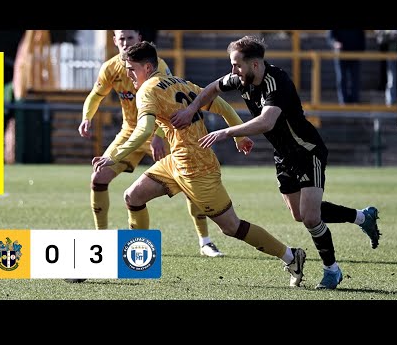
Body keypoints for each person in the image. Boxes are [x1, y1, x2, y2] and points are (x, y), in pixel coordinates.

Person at [171, 35, 381, 289]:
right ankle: (362, 217)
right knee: (299, 214)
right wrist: (192, 109)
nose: (233, 70)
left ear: (255, 65)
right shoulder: (240, 78)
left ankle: (332, 270)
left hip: (307, 151)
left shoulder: (276, 81)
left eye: (237, 64)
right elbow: (212, 88)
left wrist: (227, 132)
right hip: (283, 155)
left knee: (311, 218)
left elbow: (266, 122)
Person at [93, 41, 308, 288]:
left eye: (131, 69)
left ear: (147, 66)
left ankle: (291, 256)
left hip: (198, 170)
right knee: (133, 196)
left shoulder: (147, 91)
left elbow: (143, 131)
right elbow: (223, 105)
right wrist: (239, 135)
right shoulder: (180, 82)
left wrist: (115, 156)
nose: (128, 74)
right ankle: (137, 262)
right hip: (177, 161)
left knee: (232, 227)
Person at [78, 30, 223, 258]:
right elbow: (95, 96)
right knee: (99, 177)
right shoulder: (110, 68)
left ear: (140, 40)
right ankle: (100, 239)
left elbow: (170, 102)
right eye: (121, 39)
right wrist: (87, 117)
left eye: (130, 39)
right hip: (130, 133)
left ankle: (205, 240)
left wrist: (159, 136)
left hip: (160, 132)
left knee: (189, 182)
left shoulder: (157, 68)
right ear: (115, 41)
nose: (126, 43)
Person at [327, 30, 366, 104]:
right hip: (340, 55)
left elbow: (361, 36)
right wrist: (335, 44)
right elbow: (330, 37)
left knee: (355, 79)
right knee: (341, 78)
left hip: (355, 54)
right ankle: (343, 103)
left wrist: (361, 50)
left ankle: (355, 102)